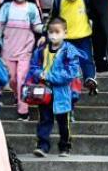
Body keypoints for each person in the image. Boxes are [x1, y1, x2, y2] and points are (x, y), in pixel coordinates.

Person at [27, 17, 82, 157]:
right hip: (44, 92)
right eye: (51, 32)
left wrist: (49, 76)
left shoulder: (70, 51)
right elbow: (33, 67)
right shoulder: (41, 50)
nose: (53, 35)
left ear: (65, 33)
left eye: (57, 32)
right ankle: (42, 145)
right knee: (45, 119)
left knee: (64, 122)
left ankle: (65, 146)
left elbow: (71, 72)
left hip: (62, 93)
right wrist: (39, 74)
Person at [0, 0, 43, 120]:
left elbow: (36, 27)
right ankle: (17, 95)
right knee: (12, 79)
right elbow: (0, 26)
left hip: (25, 50)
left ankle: (23, 110)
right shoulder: (6, 7)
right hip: (8, 49)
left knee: (22, 78)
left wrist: (46, 29)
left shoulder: (32, 8)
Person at [51, 0, 98, 94]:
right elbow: (53, 19)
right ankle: (69, 85)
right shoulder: (58, 0)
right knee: (66, 63)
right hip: (65, 40)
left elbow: (94, 14)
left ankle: (89, 79)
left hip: (84, 37)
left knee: (87, 60)